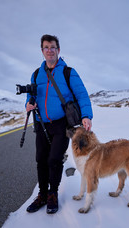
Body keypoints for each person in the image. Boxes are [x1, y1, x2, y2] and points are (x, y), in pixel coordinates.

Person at [25, 34, 93, 214]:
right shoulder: (36, 74)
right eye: (46, 47)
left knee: (54, 159)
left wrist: (86, 115)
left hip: (63, 124)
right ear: (42, 51)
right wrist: (28, 103)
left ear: (58, 50)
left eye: (52, 47)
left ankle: (52, 194)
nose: (49, 50)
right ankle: (42, 194)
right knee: (41, 159)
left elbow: (82, 94)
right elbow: (31, 95)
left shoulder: (68, 72)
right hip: (41, 123)